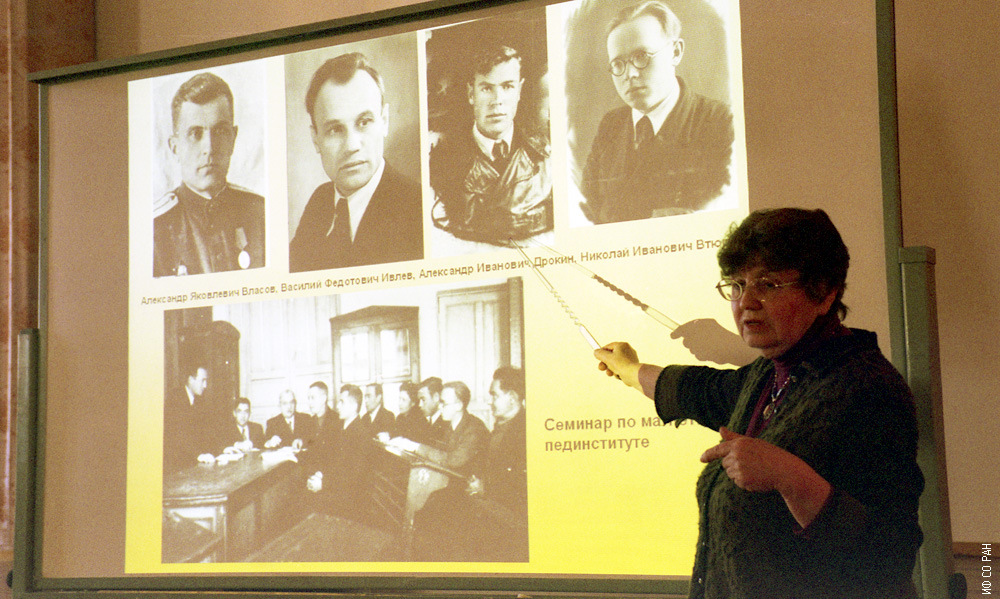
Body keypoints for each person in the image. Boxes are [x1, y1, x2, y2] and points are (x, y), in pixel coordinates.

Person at [594, 208, 924, 598]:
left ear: (824, 293)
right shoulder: (768, 375)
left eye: (767, 284)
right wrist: (630, 369)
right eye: (736, 285)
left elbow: (890, 558)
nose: (746, 301)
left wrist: (791, 478)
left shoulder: (868, 389)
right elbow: (699, 390)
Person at [579, 1, 734, 225]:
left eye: (642, 56)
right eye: (618, 64)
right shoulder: (611, 125)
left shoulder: (721, 122)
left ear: (675, 52)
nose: (630, 74)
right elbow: (587, 214)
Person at [289, 52, 423, 272]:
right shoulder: (320, 202)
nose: (351, 146)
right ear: (315, 139)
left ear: (384, 121)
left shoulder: (417, 208)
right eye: (335, 130)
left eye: (364, 122)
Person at [430, 44, 553, 244]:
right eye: (487, 88)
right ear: (471, 94)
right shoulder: (443, 160)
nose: (497, 100)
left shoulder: (545, 155)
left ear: (519, 91)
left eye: (507, 87)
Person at [154, 71, 266, 277]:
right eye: (195, 134)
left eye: (220, 131)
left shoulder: (260, 213)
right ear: (175, 147)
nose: (209, 148)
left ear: (233, 139)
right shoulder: (156, 228)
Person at [305, 384, 373, 522]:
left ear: (354, 406)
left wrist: (323, 483)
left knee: (309, 503)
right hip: (339, 491)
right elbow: (334, 463)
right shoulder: (342, 429)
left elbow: (354, 477)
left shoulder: (361, 434)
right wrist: (320, 475)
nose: (337, 406)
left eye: (342, 402)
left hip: (350, 501)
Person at [162, 362, 216, 473]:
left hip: (193, 462)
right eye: (202, 380)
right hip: (176, 466)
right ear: (191, 379)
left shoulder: (200, 401)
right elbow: (178, 435)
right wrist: (199, 455)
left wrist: (222, 450)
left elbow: (206, 433)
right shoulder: (175, 398)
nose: (205, 385)